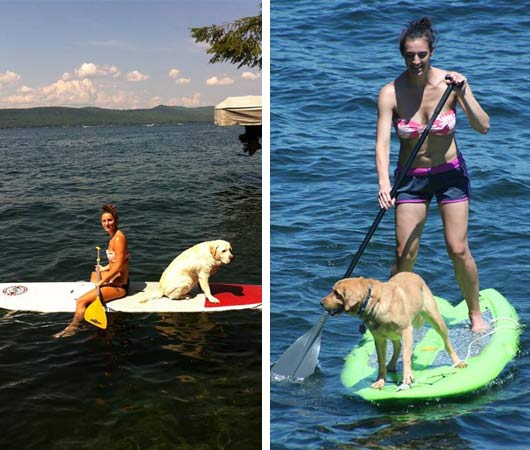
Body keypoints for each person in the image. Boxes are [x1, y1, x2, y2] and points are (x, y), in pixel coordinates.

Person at [375, 17, 490, 332]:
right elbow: (382, 143)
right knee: (404, 253)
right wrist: (385, 183)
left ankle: (475, 313)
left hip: (450, 174)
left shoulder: (451, 86)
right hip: (410, 180)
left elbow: (483, 126)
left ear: (431, 52)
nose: (416, 61)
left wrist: (465, 92)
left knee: (458, 248)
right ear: (403, 55)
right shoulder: (390, 93)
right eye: (410, 55)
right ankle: (391, 310)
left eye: (421, 54)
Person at [54, 204, 129, 338]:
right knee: (94, 275)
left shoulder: (118, 238)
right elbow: (117, 262)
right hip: (114, 280)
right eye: (104, 221)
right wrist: (104, 268)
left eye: (110, 220)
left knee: (81, 301)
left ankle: (73, 327)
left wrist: (102, 282)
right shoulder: (113, 237)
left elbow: (117, 266)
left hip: (119, 286)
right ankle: (94, 297)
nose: (107, 224)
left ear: (116, 220)